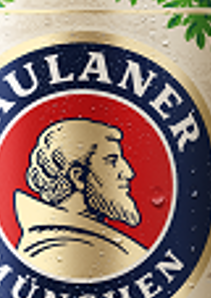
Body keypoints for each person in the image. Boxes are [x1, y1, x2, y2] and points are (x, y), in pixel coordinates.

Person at [14, 118, 144, 278]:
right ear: (79, 177)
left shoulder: (91, 239)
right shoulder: (57, 249)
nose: (128, 172)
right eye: (112, 161)